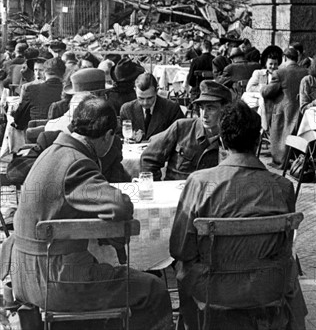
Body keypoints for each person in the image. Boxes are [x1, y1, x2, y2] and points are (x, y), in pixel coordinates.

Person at [2, 96, 173, 330]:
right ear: (108, 136)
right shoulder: (76, 162)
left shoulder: (51, 152)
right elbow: (119, 206)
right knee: (153, 290)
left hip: (25, 273)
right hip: (55, 281)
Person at [169, 101, 307, 330]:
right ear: (258, 140)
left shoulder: (199, 182)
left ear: (222, 140)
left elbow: (180, 249)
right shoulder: (283, 187)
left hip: (213, 289)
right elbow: (283, 249)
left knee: (183, 266)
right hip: (269, 286)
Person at [141, 80, 232, 181]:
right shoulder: (182, 128)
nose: (204, 114)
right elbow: (149, 158)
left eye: (210, 108)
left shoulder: (231, 137)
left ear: (224, 110)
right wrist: (158, 188)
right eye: (201, 108)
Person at [262, 46, 308, 167]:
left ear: (284, 57)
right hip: (302, 110)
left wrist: (262, 88)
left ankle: (281, 160)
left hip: (285, 111)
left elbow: (268, 92)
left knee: (280, 137)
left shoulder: (280, 73)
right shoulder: (305, 71)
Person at [120, 73, 184, 141]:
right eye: (141, 98)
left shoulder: (171, 108)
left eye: (149, 98)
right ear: (135, 90)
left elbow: (181, 135)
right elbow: (119, 136)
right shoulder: (127, 109)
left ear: (157, 91)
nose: (145, 103)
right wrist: (131, 136)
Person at [13, 57, 66, 130]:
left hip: (35, 133)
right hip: (60, 133)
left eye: (40, 70)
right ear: (64, 73)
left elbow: (19, 118)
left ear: (45, 72)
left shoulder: (31, 89)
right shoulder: (68, 92)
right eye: (35, 70)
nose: (37, 73)